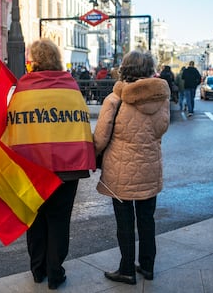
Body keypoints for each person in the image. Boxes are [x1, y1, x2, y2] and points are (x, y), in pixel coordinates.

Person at [1, 38, 95, 290]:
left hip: (32, 168)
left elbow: (11, 123)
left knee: (36, 219)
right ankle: (55, 273)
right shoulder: (70, 87)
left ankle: (37, 270)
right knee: (59, 220)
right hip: (67, 168)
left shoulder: (23, 88)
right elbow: (81, 121)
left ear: (34, 61)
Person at [93, 50, 170, 285]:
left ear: (125, 69)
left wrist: (94, 155)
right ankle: (147, 266)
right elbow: (160, 130)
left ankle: (126, 269)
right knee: (147, 219)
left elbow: (100, 139)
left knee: (124, 222)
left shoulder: (115, 100)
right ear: (149, 70)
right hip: (149, 167)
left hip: (120, 170)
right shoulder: (160, 99)